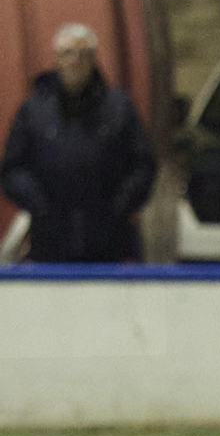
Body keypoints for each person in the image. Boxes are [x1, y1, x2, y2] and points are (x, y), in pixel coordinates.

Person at [2, 23, 155, 263]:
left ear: (94, 58)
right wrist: (41, 207)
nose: (75, 61)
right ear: (56, 59)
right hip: (51, 242)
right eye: (67, 53)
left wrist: (119, 207)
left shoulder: (119, 108)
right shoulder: (34, 111)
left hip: (111, 243)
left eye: (83, 54)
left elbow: (143, 166)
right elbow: (12, 170)